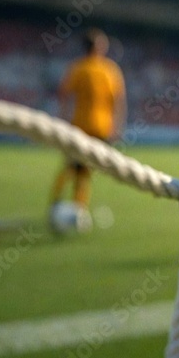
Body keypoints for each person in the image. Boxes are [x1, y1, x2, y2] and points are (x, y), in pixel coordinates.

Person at [49, 29, 125, 230]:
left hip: (83, 126)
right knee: (79, 169)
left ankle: (67, 207)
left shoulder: (80, 68)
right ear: (100, 46)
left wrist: (64, 120)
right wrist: (117, 127)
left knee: (77, 168)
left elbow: (64, 95)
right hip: (96, 128)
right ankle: (74, 209)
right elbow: (118, 102)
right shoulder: (108, 70)